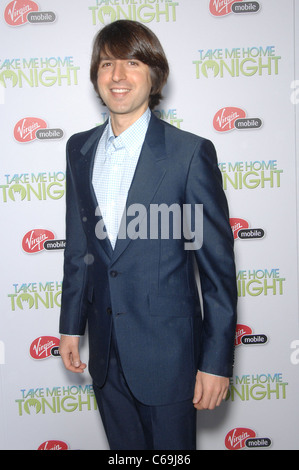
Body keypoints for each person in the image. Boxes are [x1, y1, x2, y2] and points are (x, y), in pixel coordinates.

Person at [59, 20, 237, 450]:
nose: (117, 76)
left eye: (132, 62)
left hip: (169, 357)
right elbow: (80, 248)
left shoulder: (189, 154)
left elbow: (217, 272)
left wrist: (216, 363)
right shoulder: (78, 149)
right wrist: (70, 326)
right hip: (103, 353)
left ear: (154, 75)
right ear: (95, 76)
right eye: (106, 64)